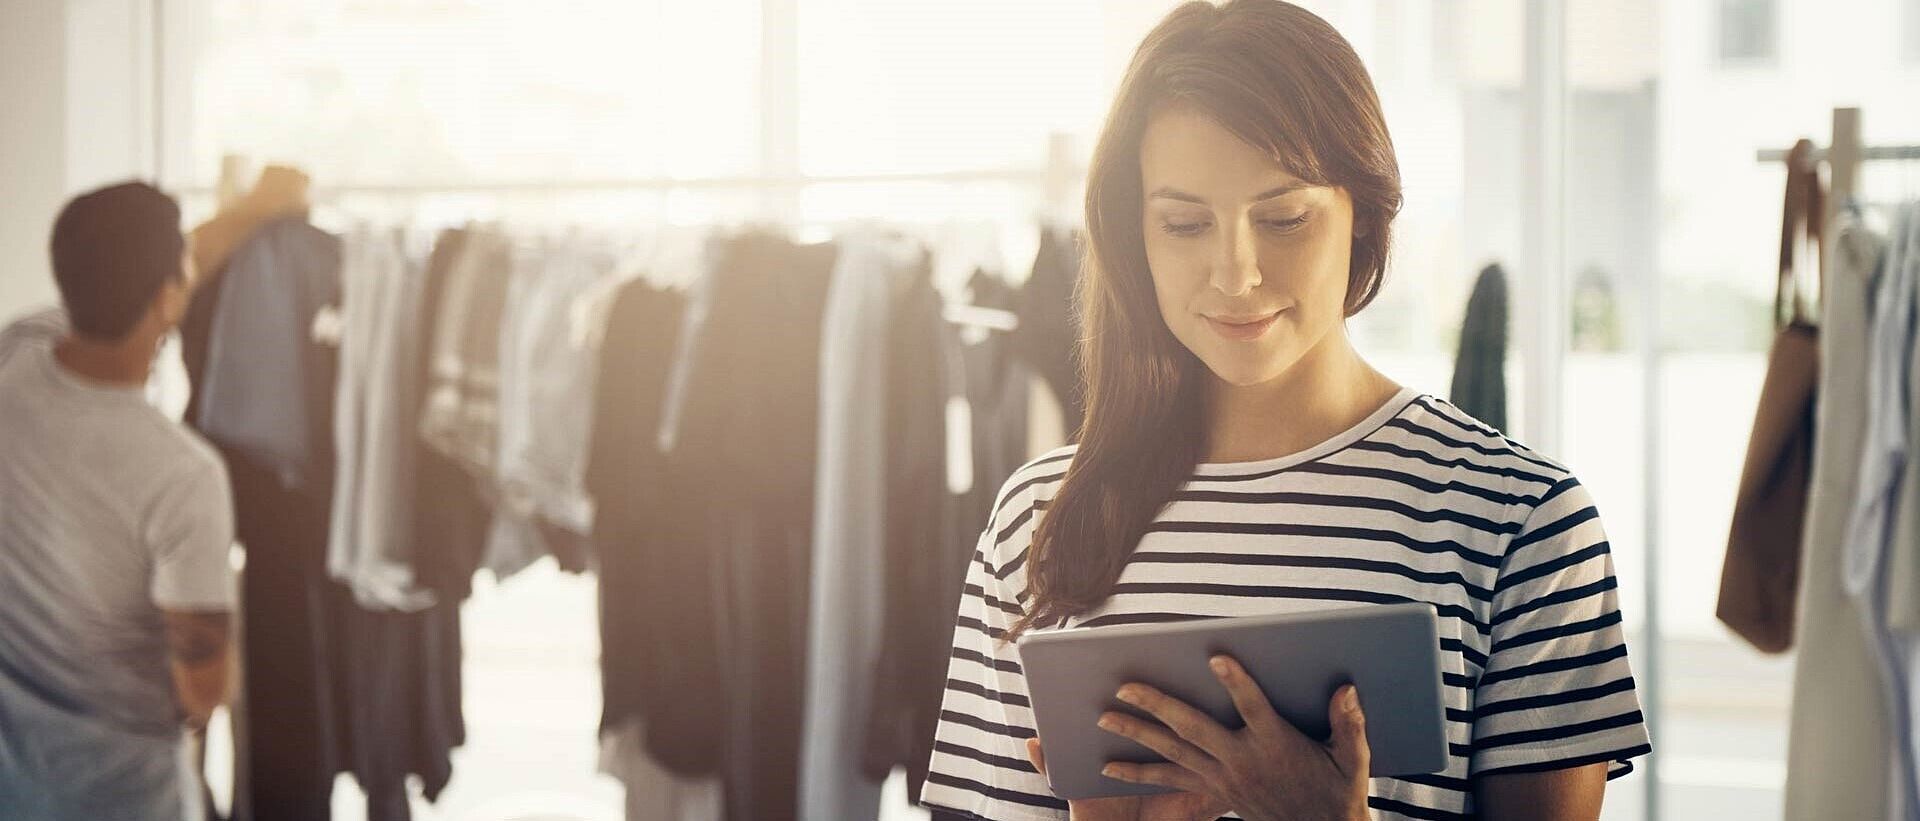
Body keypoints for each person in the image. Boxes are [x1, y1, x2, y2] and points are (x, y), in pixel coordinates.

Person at [919, 3, 1651, 820]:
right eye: (1186, 222)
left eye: (1284, 218)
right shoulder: (1038, 519)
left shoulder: (1520, 523)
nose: (1235, 273)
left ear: (1365, 216)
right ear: (1137, 237)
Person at [0, 175, 305, 820]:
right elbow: (203, 687)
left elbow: (122, 271)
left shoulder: (15, 355)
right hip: (122, 797)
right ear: (171, 295)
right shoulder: (183, 474)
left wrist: (251, 207)